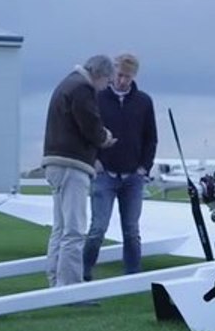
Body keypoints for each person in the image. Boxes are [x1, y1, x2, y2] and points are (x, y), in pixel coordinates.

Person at [42, 55, 116, 291]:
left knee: (60, 228)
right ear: (100, 74)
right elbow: (90, 125)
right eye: (108, 80)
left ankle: (55, 281)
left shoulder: (68, 83)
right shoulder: (83, 88)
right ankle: (71, 288)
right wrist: (105, 137)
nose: (107, 86)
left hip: (55, 162)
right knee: (74, 230)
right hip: (71, 165)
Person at [83, 53, 157, 279]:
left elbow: (150, 137)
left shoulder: (144, 101)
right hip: (104, 175)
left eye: (128, 76)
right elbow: (88, 131)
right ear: (113, 72)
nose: (123, 80)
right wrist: (93, 160)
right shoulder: (97, 97)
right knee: (98, 229)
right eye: (120, 75)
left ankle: (133, 276)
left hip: (133, 177)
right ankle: (83, 272)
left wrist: (144, 167)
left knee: (132, 231)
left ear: (134, 76)